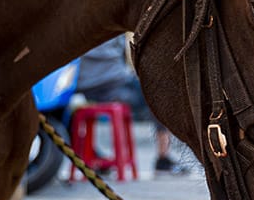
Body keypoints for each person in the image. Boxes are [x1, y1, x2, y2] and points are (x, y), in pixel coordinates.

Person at [77, 35, 187, 175]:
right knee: (158, 93)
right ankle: (163, 157)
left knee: (154, 91)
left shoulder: (78, 28)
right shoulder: (111, 29)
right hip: (113, 85)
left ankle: (92, 155)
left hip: (87, 87)